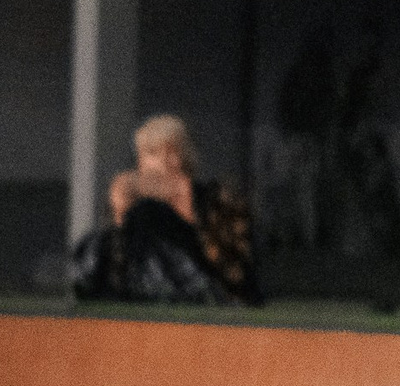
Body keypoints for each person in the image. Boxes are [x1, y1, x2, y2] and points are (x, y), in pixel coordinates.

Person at [70, 113, 260, 305]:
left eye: (172, 152)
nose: (164, 162)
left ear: (185, 156)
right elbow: (111, 268)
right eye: (152, 153)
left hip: (212, 292)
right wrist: (121, 212)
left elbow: (236, 269)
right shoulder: (136, 207)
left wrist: (181, 204)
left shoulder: (217, 198)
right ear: (140, 162)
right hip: (143, 296)